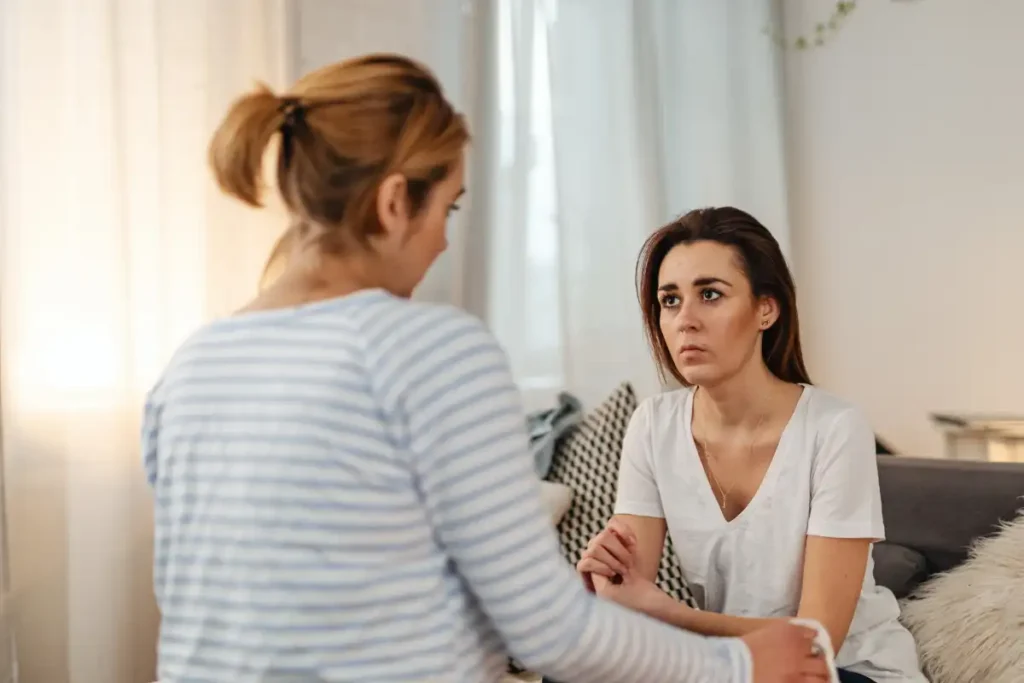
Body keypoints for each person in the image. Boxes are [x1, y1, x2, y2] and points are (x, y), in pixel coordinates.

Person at [141, 56, 831, 683]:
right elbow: (552, 630)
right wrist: (737, 664)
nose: (444, 240)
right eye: (448, 207)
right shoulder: (428, 348)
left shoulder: (189, 367)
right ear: (393, 203)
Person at [575, 207, 928, 683]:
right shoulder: (653, 425)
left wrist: (665, 611)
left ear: (766, 309)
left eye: (710, 295)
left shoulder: (835, 428)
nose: (686, 320)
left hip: (841, 671)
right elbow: (628, 601)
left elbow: (816, 642)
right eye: (670, 300)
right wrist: (603, 587)